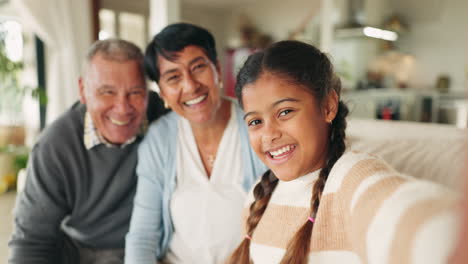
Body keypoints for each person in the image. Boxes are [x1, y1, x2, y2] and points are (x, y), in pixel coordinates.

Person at [228, 40, 458, 264]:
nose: (269, 134)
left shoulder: (352, 176)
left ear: (328, 107)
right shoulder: (258, 195)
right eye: (255, 121)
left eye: (285, 111)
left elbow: (409, 216)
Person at [8, 39, 167, 264]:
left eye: (135, 92)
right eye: (107, 92)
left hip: (147, 246)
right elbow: (31, 240)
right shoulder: (55, 146)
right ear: (83, 90)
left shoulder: (165, 119)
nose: (122, 108)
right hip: (79, 249)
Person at [125, 23, 266, 264]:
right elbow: (143, 237)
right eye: (173, 77)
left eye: (198, 67)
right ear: (162, 92)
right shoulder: (159, 140)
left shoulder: (257, 124)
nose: (190, 86)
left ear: (218, 70)